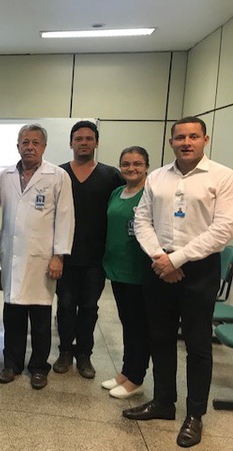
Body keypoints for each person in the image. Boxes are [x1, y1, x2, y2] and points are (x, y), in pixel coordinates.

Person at [123, 117, 233, 448]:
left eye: (193, 136)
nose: (186, 142)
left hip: (199, 270)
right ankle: (163, 403)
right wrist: (160, 256)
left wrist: (178, 258)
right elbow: (141, 219)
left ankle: (194, 414)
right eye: (180, 137)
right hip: (158, 267)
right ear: (171, 141)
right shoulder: (156, 177)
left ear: (205, 139)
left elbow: (223, 229)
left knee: (198, 345)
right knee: (160, 338)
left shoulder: (222, 176)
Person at [0, 124, 74, 390]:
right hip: (12, 256)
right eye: (25, 142)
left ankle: (39, 367)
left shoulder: (58, 176)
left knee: (40, 318)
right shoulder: (5, 175)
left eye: (36, 142)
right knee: (12, 315)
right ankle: (12, 364)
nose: (30, 147)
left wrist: (59, 256)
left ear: (44, 147)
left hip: (43, 258)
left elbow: (65, 218)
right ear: (18, 145)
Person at [54, 120, 123, 378]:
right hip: (65, 256)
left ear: (96, 142)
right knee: (65, 305)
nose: (83, 142)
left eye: (88, 138)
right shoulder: (58, 174)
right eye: (78, 138)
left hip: (96, 258)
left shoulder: (111, 175)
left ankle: (84, 355)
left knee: (89, 307)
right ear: (71, 143)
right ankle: (64, 352)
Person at [101, 146, 152, 399]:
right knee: (127, 324)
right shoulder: (116, 193)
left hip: (139, 272)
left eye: (137, 164)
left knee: (139, 327)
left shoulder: (149, 194)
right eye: (126, 164)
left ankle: (136, 379)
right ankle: (126, 372)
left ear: (146, 167)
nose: (131, 168)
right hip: (117, 270)